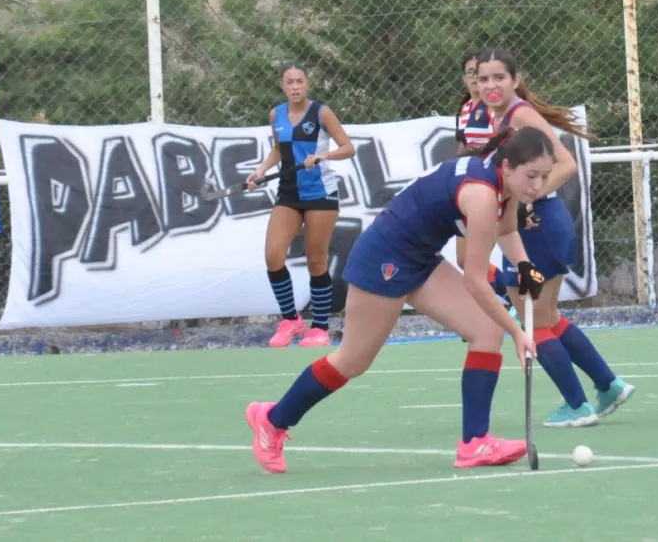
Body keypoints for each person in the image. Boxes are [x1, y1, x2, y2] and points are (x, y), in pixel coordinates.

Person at [244, 126, 553, 473]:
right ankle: (272, 419)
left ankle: (474, 443)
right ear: (508, 166)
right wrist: (517, 331)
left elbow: (507, 231)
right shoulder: (482, 195)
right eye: (532, 175)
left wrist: (523, 264)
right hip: (384, 257)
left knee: (486, 331)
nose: (538, 186)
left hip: (419, 257)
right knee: (352, 361)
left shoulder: (505, 184)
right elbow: (475, 281)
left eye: (545, 177)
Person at [476, 47, 637, 428]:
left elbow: (565, 164)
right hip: (545, 224)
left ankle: (577, 406)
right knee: (547, 317)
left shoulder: (520, 115)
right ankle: (608, 385)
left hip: (538, 227)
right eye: (483, 79)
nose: (490, 85)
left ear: (515, 81)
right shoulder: (499, 117)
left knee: (532, 322)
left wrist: (527, 198)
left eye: (499, 77)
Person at [247, 63, 355, 349]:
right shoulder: (276, 115)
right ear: (282, 85)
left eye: (299, 81)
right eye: (289, 82)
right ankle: (290, 320)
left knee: (316, 261)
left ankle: (319, 328)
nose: (295, 87)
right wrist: (260, 171)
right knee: (273, 256)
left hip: (320, 194)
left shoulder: (321, 112)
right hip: (288, 193)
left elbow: (348, 148)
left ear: (307, 84)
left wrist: (322, 157)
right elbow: (278, 149)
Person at [452, 50, 515, 318]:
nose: (475, 79)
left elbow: (501, 145)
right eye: (471, 73)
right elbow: (464, 146)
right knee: (463, 260)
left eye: (479, 74)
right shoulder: (466, 107)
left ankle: (501, 309)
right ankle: (506, 300)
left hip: (489, 189)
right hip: (467, 187)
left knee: (476, 263)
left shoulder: (493, 109)